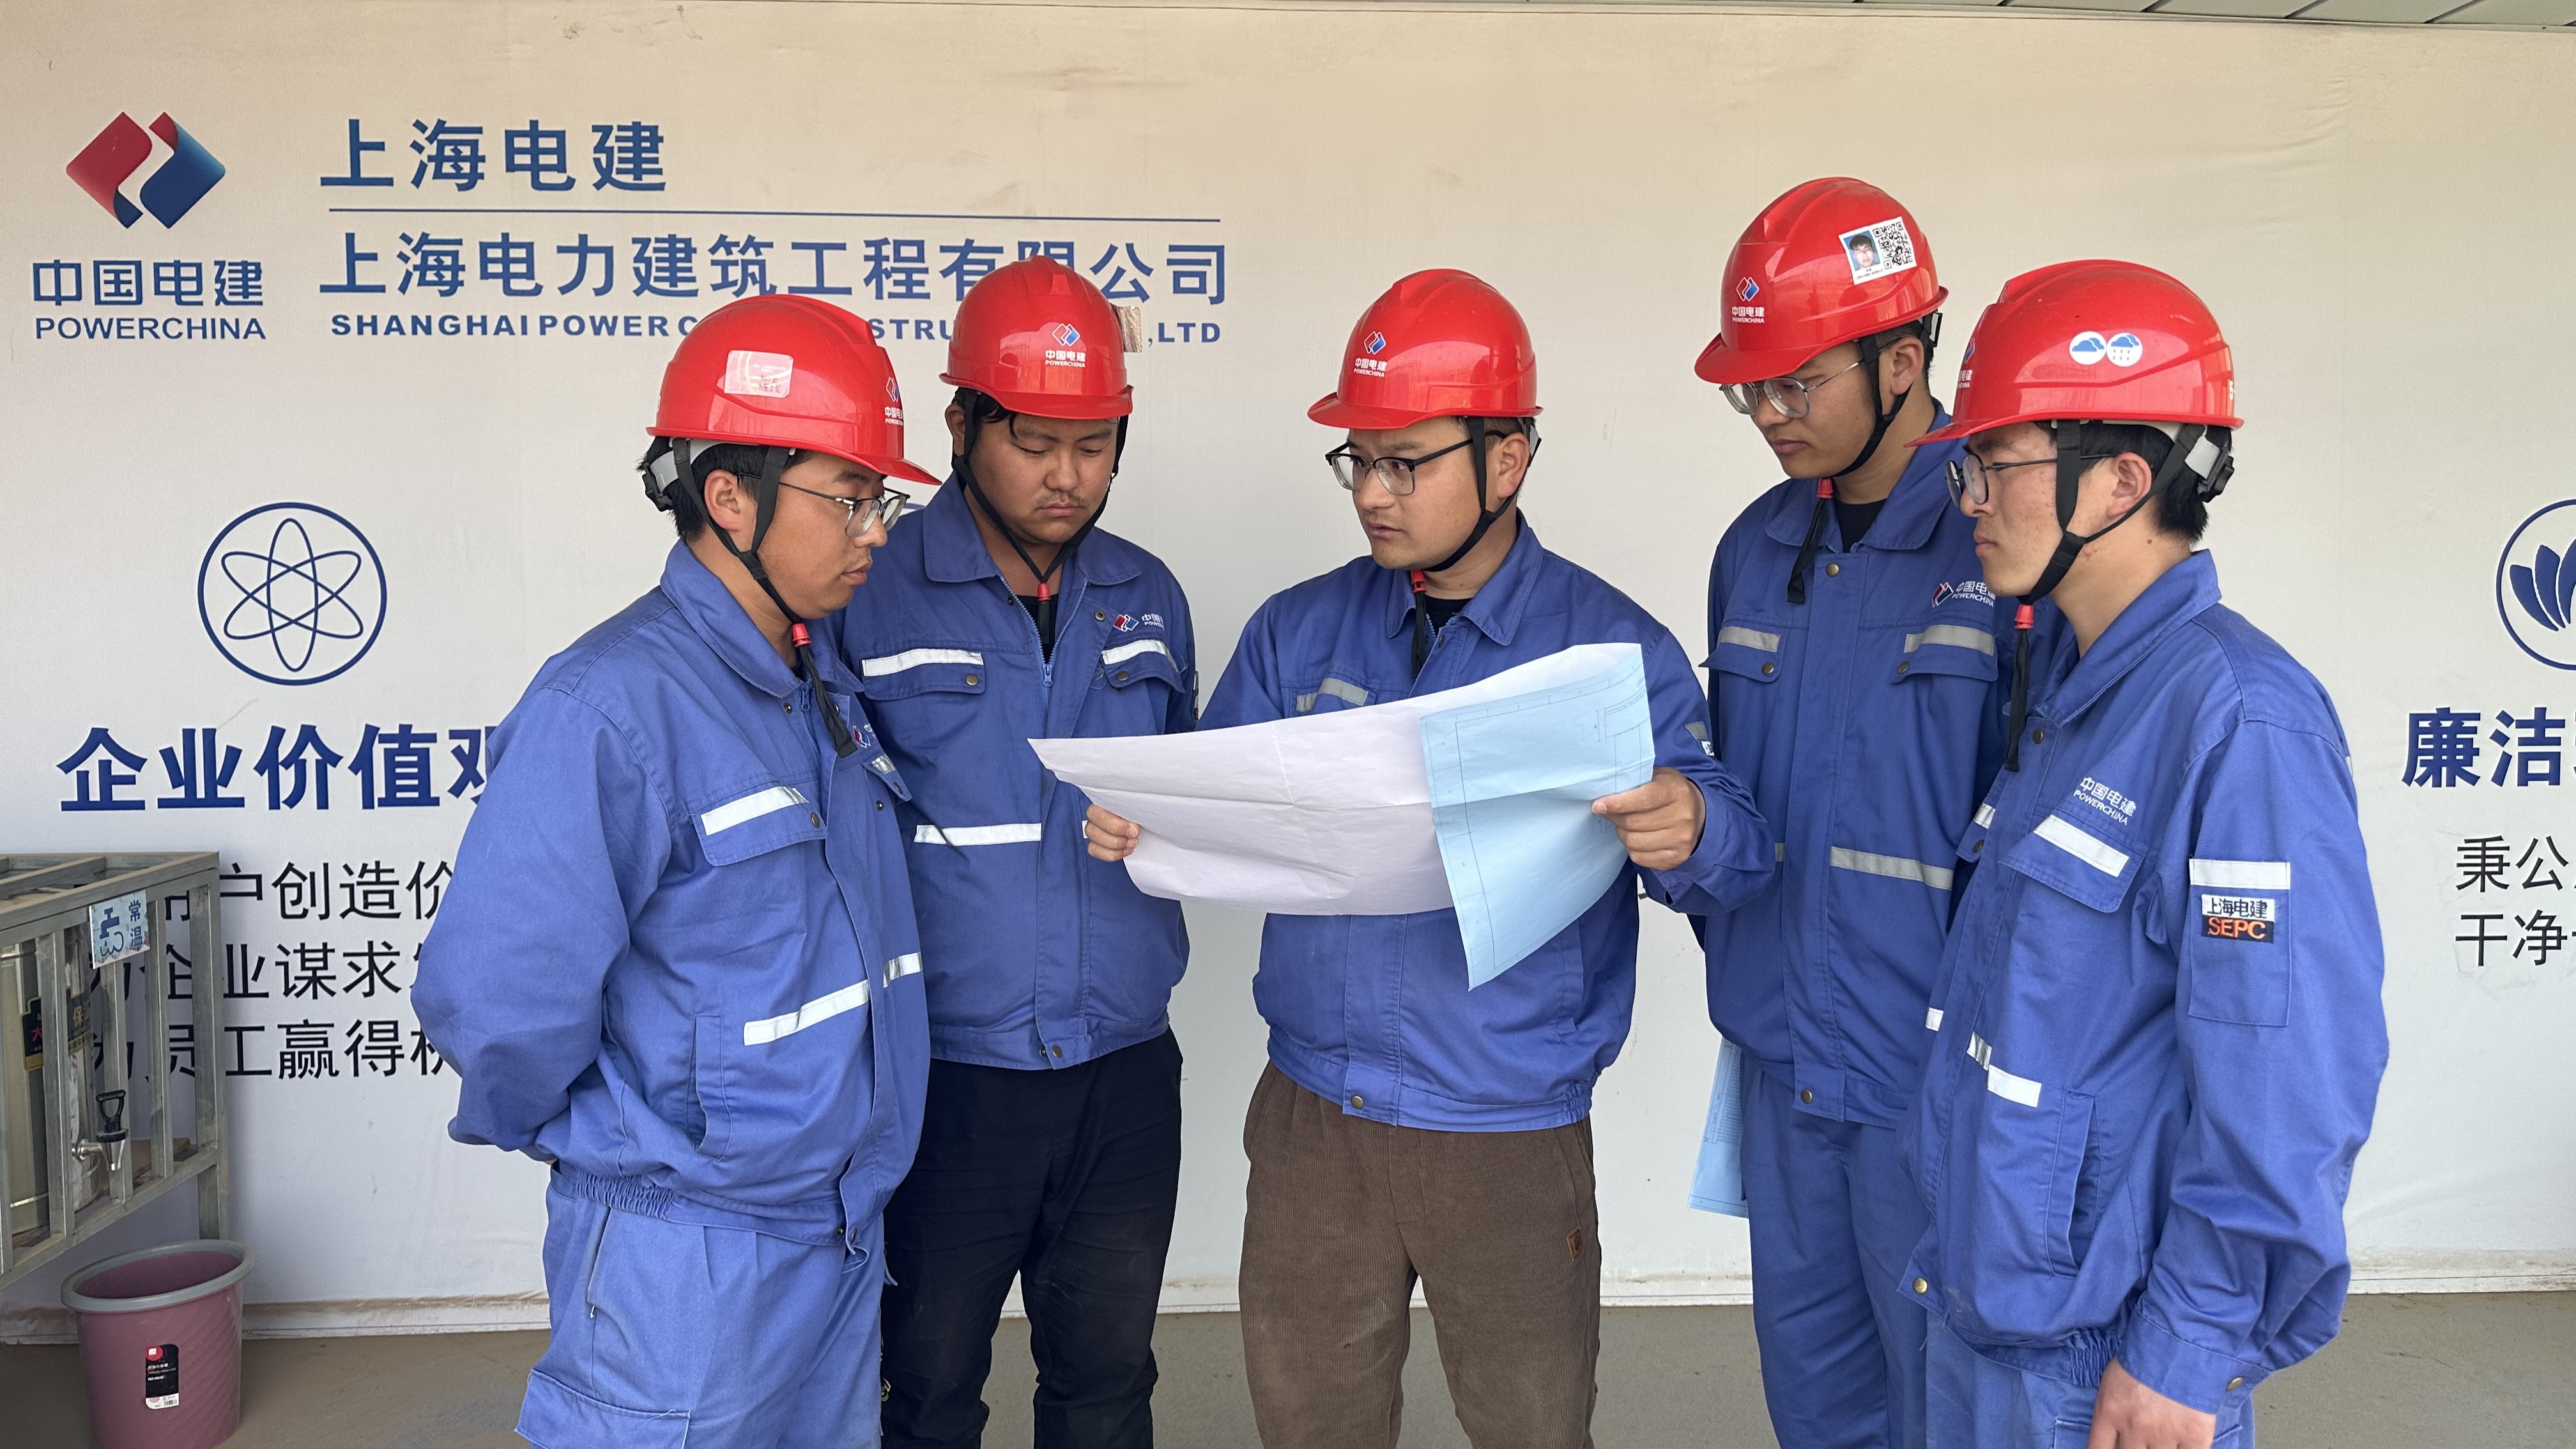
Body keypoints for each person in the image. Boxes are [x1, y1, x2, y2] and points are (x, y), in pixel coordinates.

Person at [1085, 269, 1774, 1449]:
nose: (1373, 494)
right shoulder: (1299, 629)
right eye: (1358, 461)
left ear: (1507, 460)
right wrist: (1152, 818)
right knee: (1311, 1429)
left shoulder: (1605, 651)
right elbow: (1218, 791)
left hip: (1506, 1131)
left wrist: (1693, 825)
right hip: (1314, 1120)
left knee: (1530, 1429)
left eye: (1406, 463)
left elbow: (1737, 856)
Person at [415, 294, 942, 1448]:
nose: (874, 533)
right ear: (729, 496)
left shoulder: (818, 687)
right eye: (848, 498)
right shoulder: (610, 706)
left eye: (881, 500)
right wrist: (629, 1153)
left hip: (838, 1234)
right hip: (684, 1262)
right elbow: (496, 997)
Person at [1899, 260, 2388, 1449]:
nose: (1970, 500)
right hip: (1985, 1312)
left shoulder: (2240, 720)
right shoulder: (2066, 693)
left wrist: (2188, 1348)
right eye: (1969, 467)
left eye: (1997, 463)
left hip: (2105, 1364)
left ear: (2121, 480)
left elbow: (2288, 1073)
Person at [823, 257, 1197, 1449]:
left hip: (1122, 1071)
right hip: (945, 1074)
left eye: (1095, 444)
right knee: (924, 1386)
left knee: (1107, 1383)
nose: (1067, 475)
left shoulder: (1149, 595)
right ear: (961, 425)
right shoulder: (867, 589)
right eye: (1035, 441)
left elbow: (1198, 803)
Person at [1690, 177, 2038, 1449]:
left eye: (1798, 384)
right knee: (1819, 1409)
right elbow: (1738, 799)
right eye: (1752, 389)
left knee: (1955, 1409)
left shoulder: (2001, 542)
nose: (1770, 416)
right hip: (1786, 1068)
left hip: (1936, 1088)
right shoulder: (1753, 549)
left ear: (1904, 360)